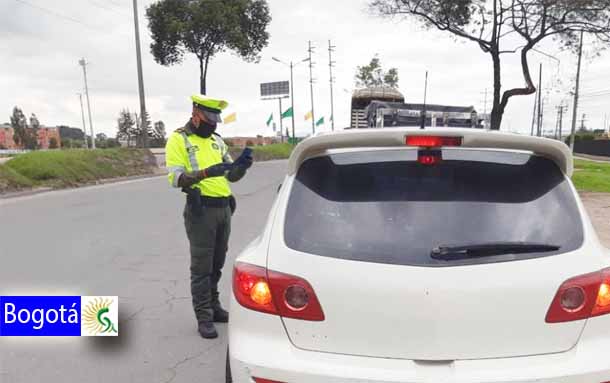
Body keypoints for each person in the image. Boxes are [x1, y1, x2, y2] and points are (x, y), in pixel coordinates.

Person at [165, 94, 253, 339]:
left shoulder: (217, 141)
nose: (213, 124)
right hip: (200, 211)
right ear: (196, 114)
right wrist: (205, 173)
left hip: (224, 209)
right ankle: (203, 316)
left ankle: (214, 307)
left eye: (216, 119)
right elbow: (175, 178)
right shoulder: (178, 139)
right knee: (202, 266)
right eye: (209, 118)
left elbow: (230, 176)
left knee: (217, 263)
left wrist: (242, 166)